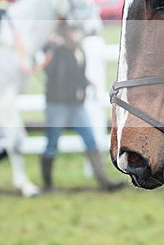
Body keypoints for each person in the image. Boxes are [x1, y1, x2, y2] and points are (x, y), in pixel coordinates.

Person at [39, 20, 123, 192]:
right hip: (57, 104)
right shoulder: (55, 49)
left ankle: (104, 181)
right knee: (52, 143)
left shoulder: (77, 48)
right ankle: (48, 185)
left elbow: (75, 72)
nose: (74, 32)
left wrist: (86, 82)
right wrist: (53, 46)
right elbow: (48, 70)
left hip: (76, 104)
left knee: (90, 140)